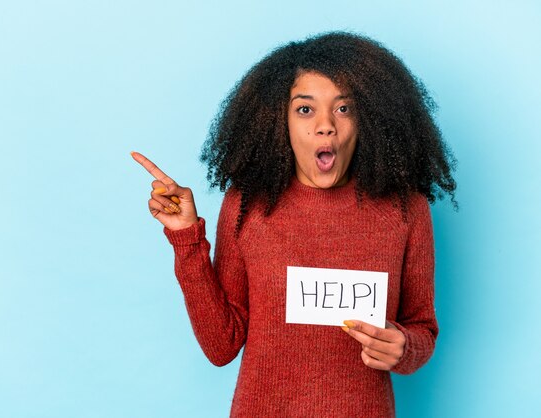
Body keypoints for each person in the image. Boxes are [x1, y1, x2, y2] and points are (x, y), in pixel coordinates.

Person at [131, 31, 456, 417]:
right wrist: (185, 238)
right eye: (305, 109)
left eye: (344, 108)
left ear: (370, 117)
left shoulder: (406, 210)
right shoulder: (246, 205)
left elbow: (422, 328)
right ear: (277, 120)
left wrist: (403, 347)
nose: (325, 126)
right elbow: (221, 346)